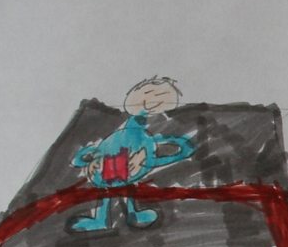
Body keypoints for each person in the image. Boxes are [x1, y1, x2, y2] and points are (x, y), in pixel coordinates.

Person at [69, 76, 196, 231]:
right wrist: (87, 158)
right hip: (111, 169)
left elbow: (155, 154)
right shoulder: (132, 132)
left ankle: (120, 217)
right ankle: (116, 217)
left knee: (117, 191)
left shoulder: (139, 135)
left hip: (118, 169)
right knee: (114, 191)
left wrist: (85, 158)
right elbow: (87, 156)